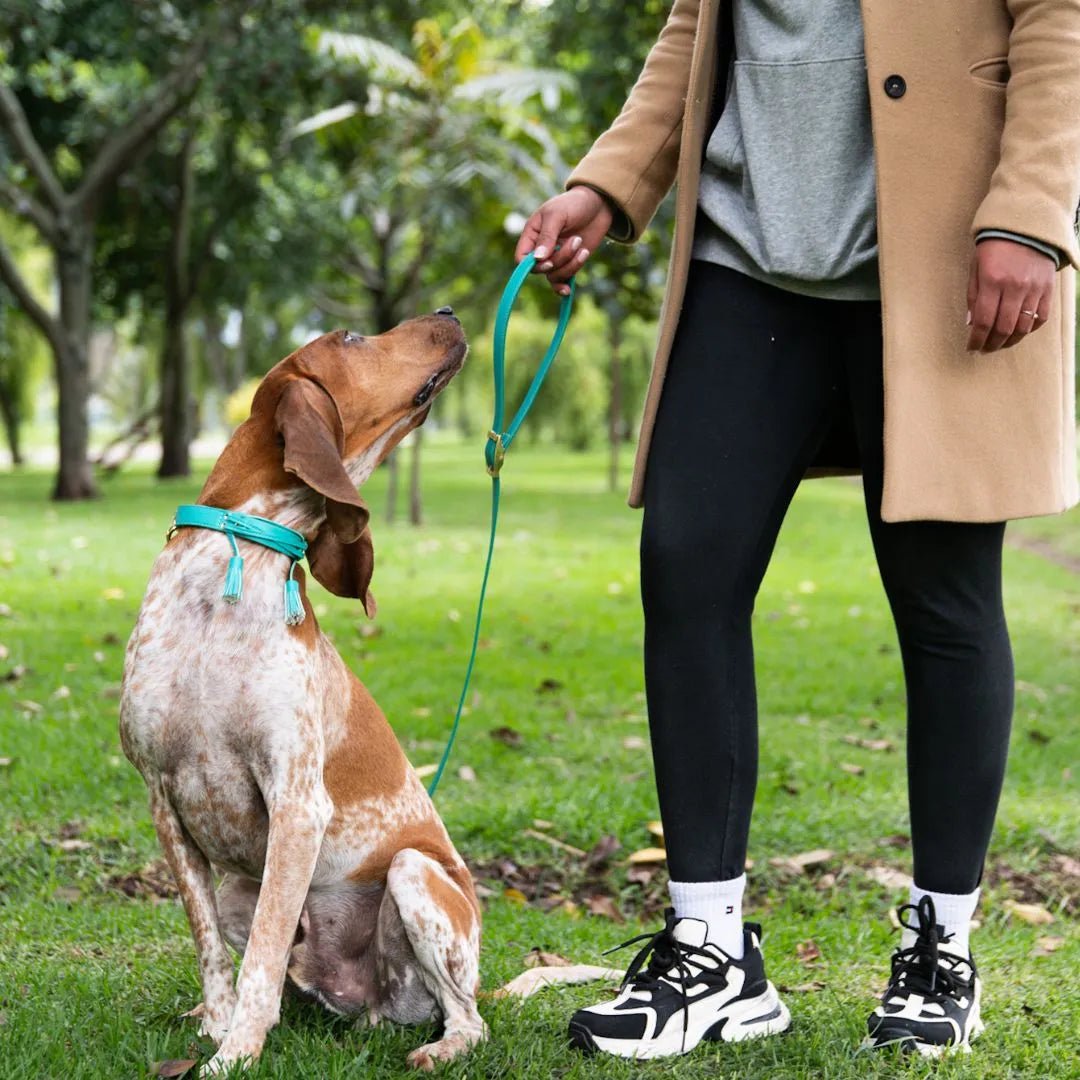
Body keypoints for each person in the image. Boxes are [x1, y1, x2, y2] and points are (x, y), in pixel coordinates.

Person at [515, 0, 1080, 1061]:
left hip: (944, 250)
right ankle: (710, 951)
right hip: (746, 254)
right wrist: (608, 183)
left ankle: (942, 952)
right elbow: (695, 30)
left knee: (944, 600)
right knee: (686, 565)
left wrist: (1031, 213)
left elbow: (1061, 20)